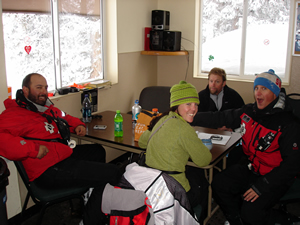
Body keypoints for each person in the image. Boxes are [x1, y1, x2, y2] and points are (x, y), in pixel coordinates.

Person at [0, 73, 122, 224]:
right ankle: (89, 220)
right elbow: (2, 140)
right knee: (112, 173)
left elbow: (64, 116)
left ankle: (91, 198)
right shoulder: (14, 114)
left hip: (61, 156)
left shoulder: (44, 108)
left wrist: (78, 124)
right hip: (47, 171)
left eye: (45, 87)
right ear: (25, 90)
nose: (43, 92)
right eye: (38, 88)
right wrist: (33, 149)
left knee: (97, 151)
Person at [191, 69, 300, 225]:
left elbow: (292, 165)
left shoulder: (289, 123)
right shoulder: (250, 111)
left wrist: (262, 186)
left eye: (264, 89)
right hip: (253, 169)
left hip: (275, 177)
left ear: (275, 93)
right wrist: (190, 116)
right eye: (256, 88)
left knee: (251, 212)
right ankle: (237, 221)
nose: (258, 93)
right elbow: (220, 117)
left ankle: (290, 220)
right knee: (219, 184)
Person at [138, 80, 212, 222]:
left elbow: (142, 142)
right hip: (175, 192)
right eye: (188, 104)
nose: (194, 109)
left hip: (153, 188)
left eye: (196, 104)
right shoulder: (184, 129)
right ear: (176, 105)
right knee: (203, 186)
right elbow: (204, 160)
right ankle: (196, 218)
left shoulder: (162, 119)